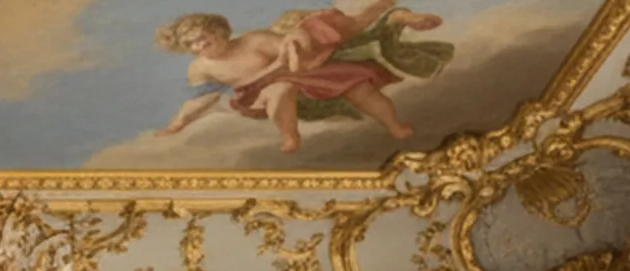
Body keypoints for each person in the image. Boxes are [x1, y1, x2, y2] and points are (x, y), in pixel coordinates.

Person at [155, 4, 446, 154]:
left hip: (304, 73)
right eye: (193, 44)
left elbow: (293, 52)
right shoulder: (200, 69)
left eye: (205, 39)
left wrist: (293, 47)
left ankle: (394, 125)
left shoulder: (254, 41)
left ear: (220, 32)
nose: (201, 47)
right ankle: (289, 134)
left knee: (358, 86)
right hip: (259, 96)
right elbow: (203, 99)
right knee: (280, 89)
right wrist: (177, 125)